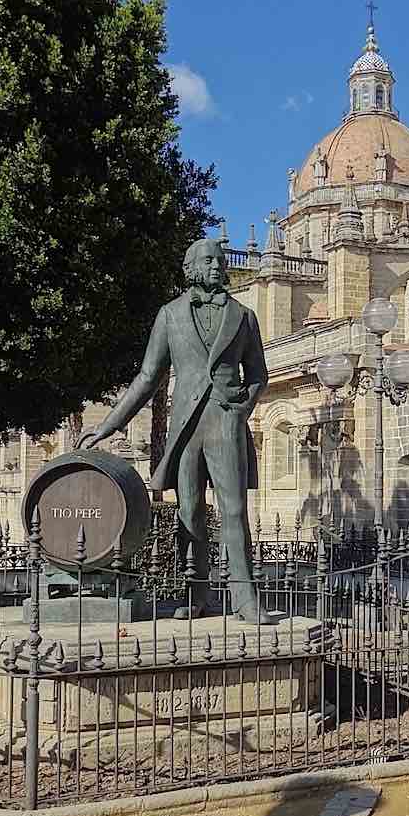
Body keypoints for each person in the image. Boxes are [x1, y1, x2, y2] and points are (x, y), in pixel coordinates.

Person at [76, 238, 273, 623]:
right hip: (185, 426)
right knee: (189, 511)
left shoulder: (245, 316)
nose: (216, 266)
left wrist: (240, 410)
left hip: (225, 421)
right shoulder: (169, 315)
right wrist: (107, 426)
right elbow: (148, 377)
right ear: (191, 268)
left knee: (234, 509)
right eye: (207, 261)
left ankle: (246, 599)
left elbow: (259, 376)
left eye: (219, 260)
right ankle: (196, 594)